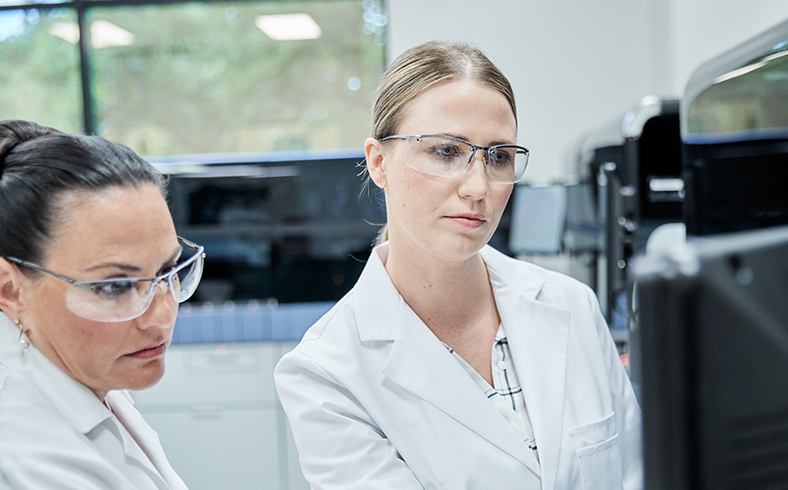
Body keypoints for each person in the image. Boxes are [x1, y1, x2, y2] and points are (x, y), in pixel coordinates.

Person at [275, 41, 642, 489]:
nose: (477, 186)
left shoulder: (572, 308)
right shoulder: (326, 374)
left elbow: (637, 475)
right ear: (378, 162)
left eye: (499, 157)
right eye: (447, 151)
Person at [0, 120, 204, 489]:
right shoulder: (26, 458)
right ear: (10, 291)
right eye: (114, 287)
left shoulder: (84, 371)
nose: (161, 316)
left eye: (169, 269)